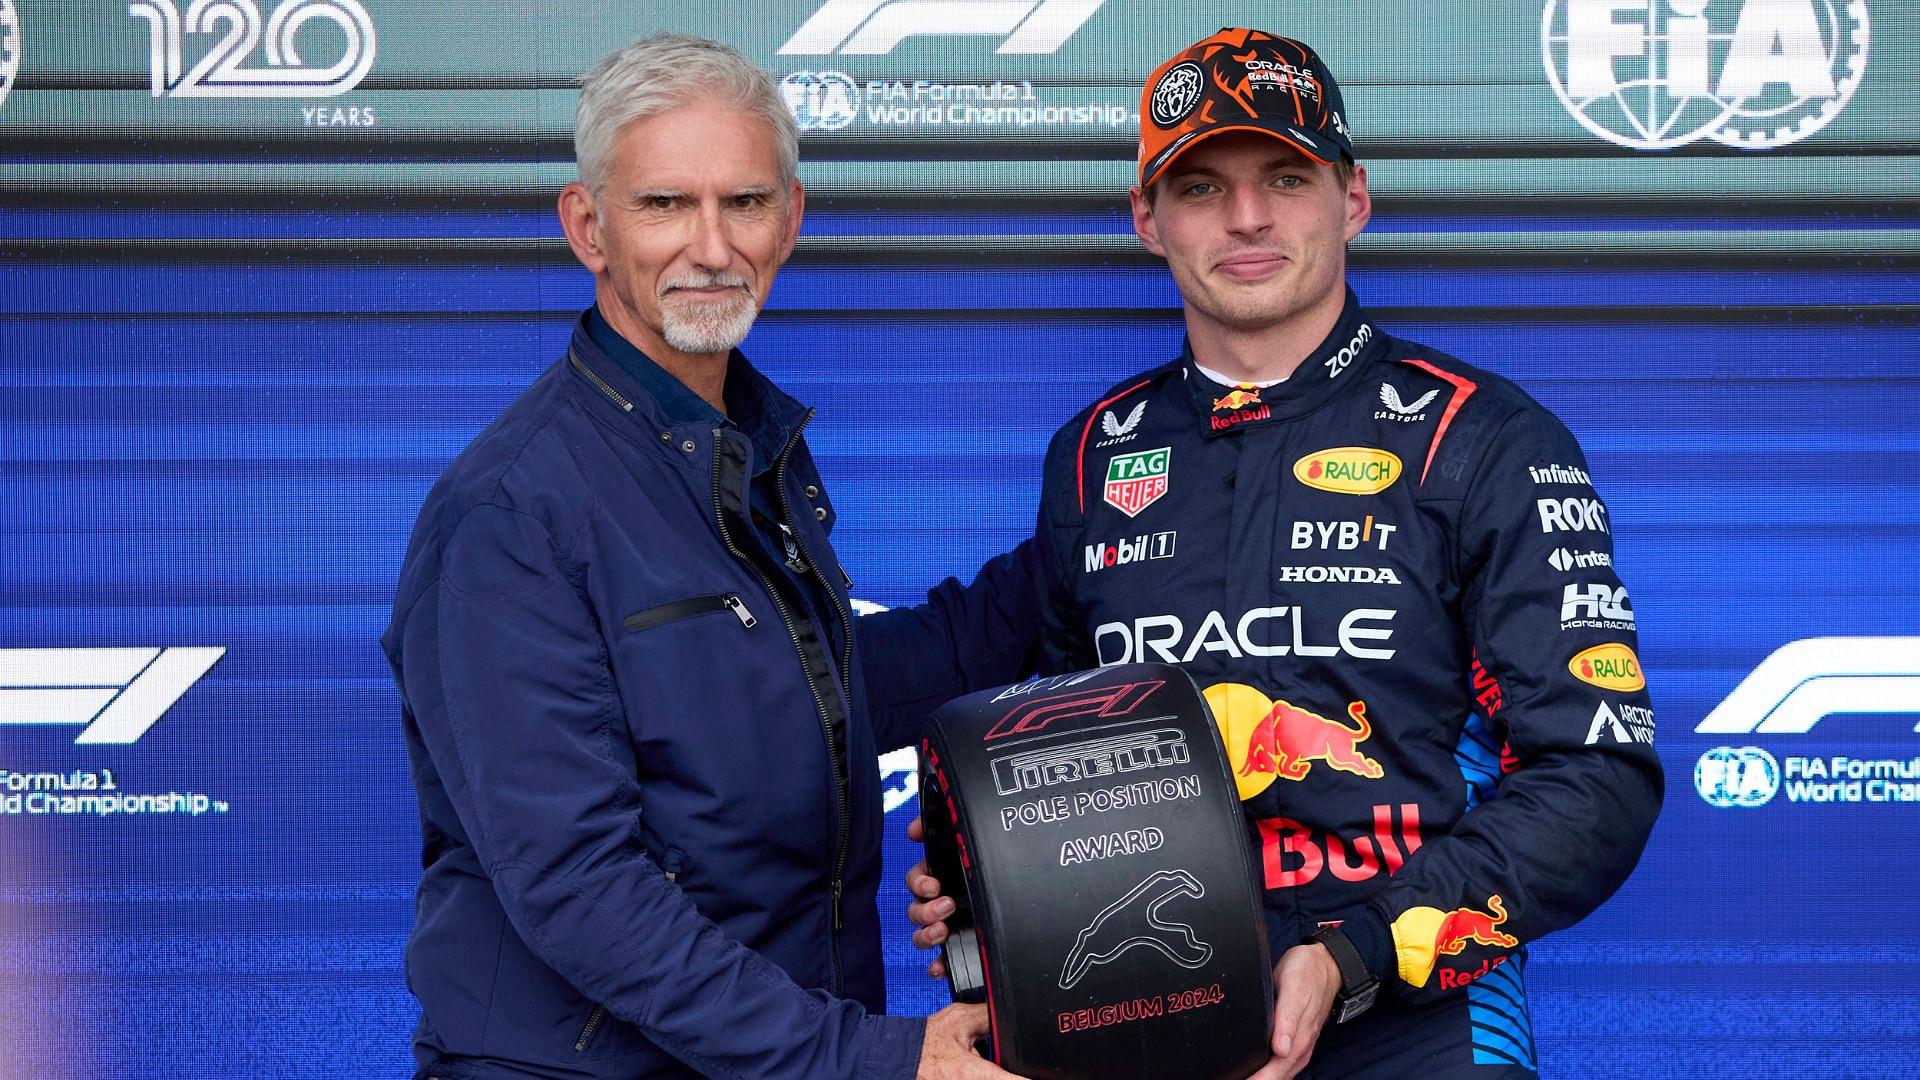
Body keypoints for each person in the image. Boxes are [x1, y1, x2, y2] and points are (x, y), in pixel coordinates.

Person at [906, 27, 1663, 1079]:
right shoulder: (1091, 457)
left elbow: (1596, 776)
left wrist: (1355, 954)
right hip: (1149, 1018)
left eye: (1286, 177)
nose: (1248, 217)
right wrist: (986, 876)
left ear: (1352, 198)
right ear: (1147, 218)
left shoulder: (1481, 439)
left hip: (1416, 1019)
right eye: (1202, 186)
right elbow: (1051, 754)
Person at [382, 34, 1029, 1079]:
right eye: (664, 205)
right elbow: (582, 886)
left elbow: (809, 695)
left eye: (744, 203)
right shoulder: (511, 514)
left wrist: (1084, 560)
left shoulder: (745, 449)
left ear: (792, 219)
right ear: (587, 226)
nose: (713, 246)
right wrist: (865, 1058)